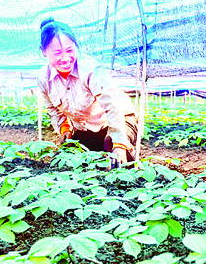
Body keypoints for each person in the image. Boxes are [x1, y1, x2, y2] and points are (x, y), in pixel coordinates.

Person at [36, 17, 138, 164]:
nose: (65, 58)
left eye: (69, 50)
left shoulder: (91, 70)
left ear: (76, 45)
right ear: (44, 51)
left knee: (115, 156)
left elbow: (113, 107)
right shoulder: (44, 78)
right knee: (64, 161)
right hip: (86, 128)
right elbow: (53, 109)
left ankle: (124, 148)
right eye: (57, 53)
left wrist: (119, 145)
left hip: (119, 120)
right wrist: (64, 128)